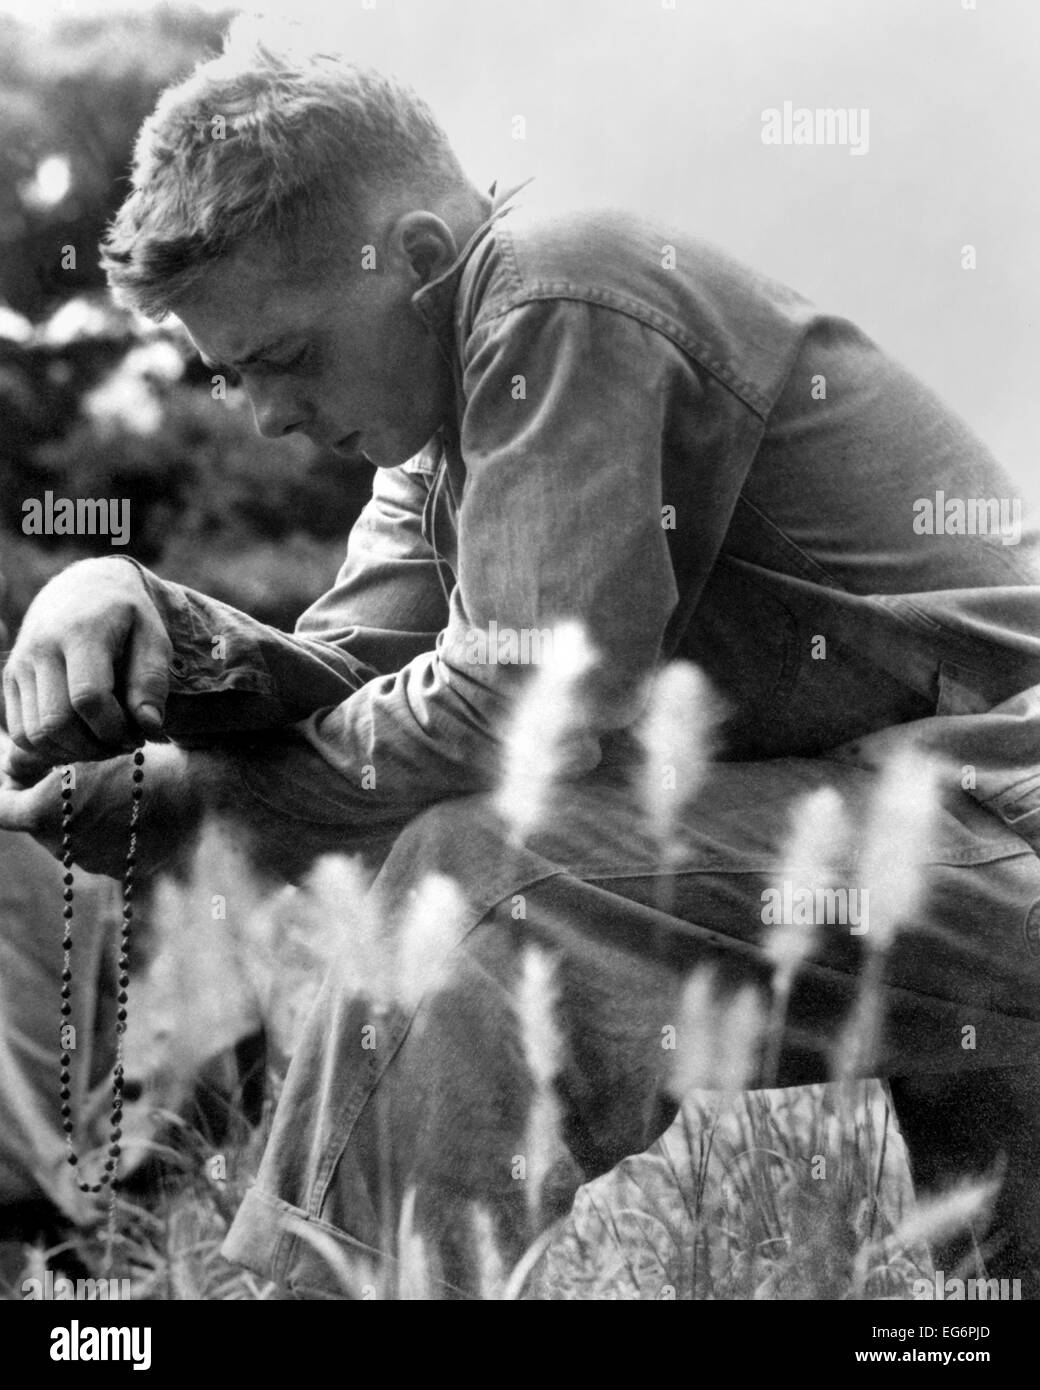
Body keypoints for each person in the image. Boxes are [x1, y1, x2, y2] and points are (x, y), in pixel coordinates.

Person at [2, 31, 1039, 1298]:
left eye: (284, 358)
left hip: (1001, 815)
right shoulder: (430, 442)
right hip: (925, 847)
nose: (267, 415)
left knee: (494, 877)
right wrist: (124, 599)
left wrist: (194, 801)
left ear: (422, 258)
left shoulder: (563, 284)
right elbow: (351, 674)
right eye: (232, 378)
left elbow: (512, 716)